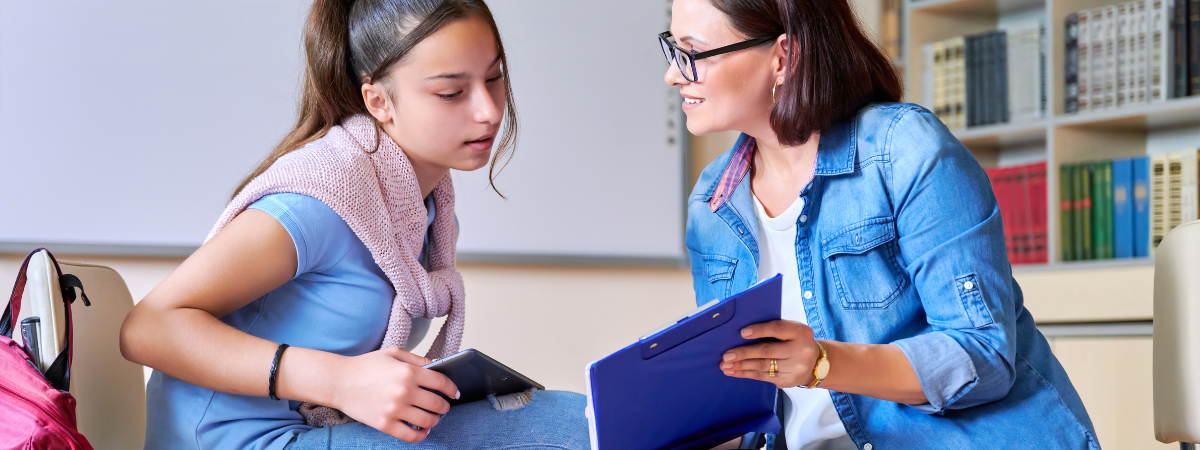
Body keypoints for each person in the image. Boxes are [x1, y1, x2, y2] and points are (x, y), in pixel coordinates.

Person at [119, 1, 589, 448]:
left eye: (494, 78)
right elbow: (148, 327)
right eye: (452, 92)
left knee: (581, 420)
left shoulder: (422, 206)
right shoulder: (320, 200)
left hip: (313, 429)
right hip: (242, 441)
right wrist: (340, 381)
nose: (488, 110)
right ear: (379, 101)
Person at [663, 1, 1099, 449]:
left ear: (783, 57)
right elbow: (744, 404)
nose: (674, 75)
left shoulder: (904, 150)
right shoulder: (712, 201)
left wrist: (821, 362)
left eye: (693, 53)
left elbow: (982, 355)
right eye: (672, 49)